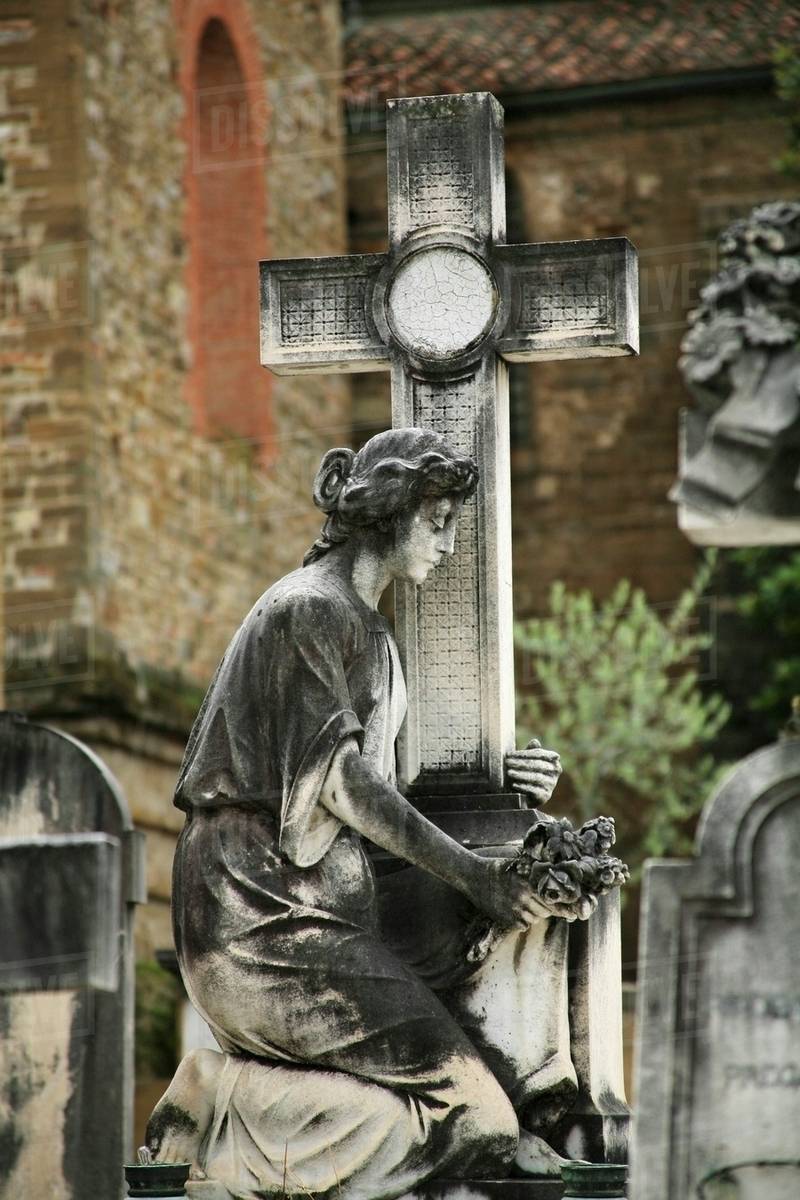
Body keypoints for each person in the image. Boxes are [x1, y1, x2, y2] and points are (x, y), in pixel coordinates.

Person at [146, 428, 573, 1200]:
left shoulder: (372, 635)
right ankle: (219, 1105)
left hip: (323, 906)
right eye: (437, 519)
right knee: (477, 1121)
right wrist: (473, 873)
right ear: (389, 511)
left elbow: (381, 796)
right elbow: (341, 784)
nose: (446, 543)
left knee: (481, 1119)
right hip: (257, 915)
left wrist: (505, 784)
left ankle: (252, 1105)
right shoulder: (308, 610)